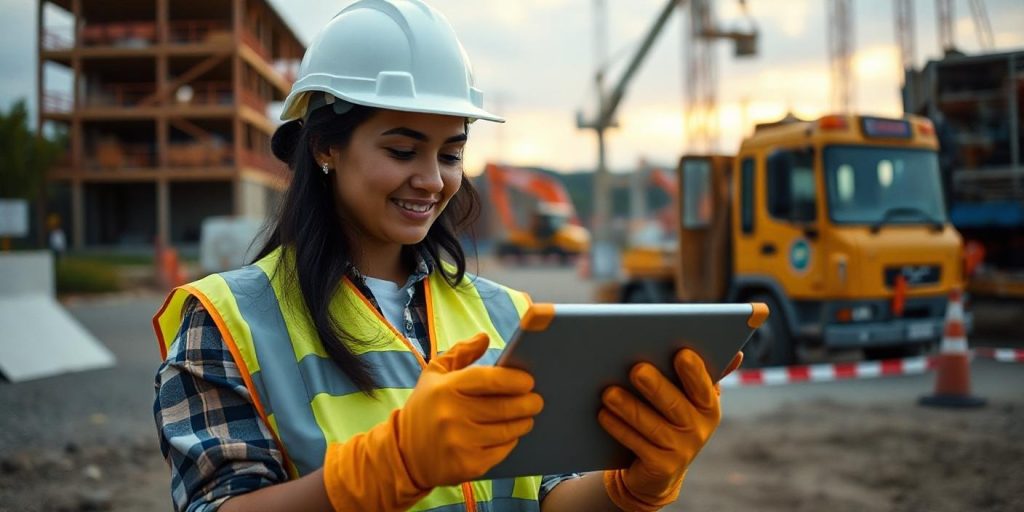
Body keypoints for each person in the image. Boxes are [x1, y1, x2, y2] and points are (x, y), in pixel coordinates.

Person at [152, 1, 742, 511]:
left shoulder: (510, 316)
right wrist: (394, 467)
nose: (431, 181)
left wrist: (632, 488)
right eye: (403, 149)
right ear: (326, 146)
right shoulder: (227, 323)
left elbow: (547, 494)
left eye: (450, 154)